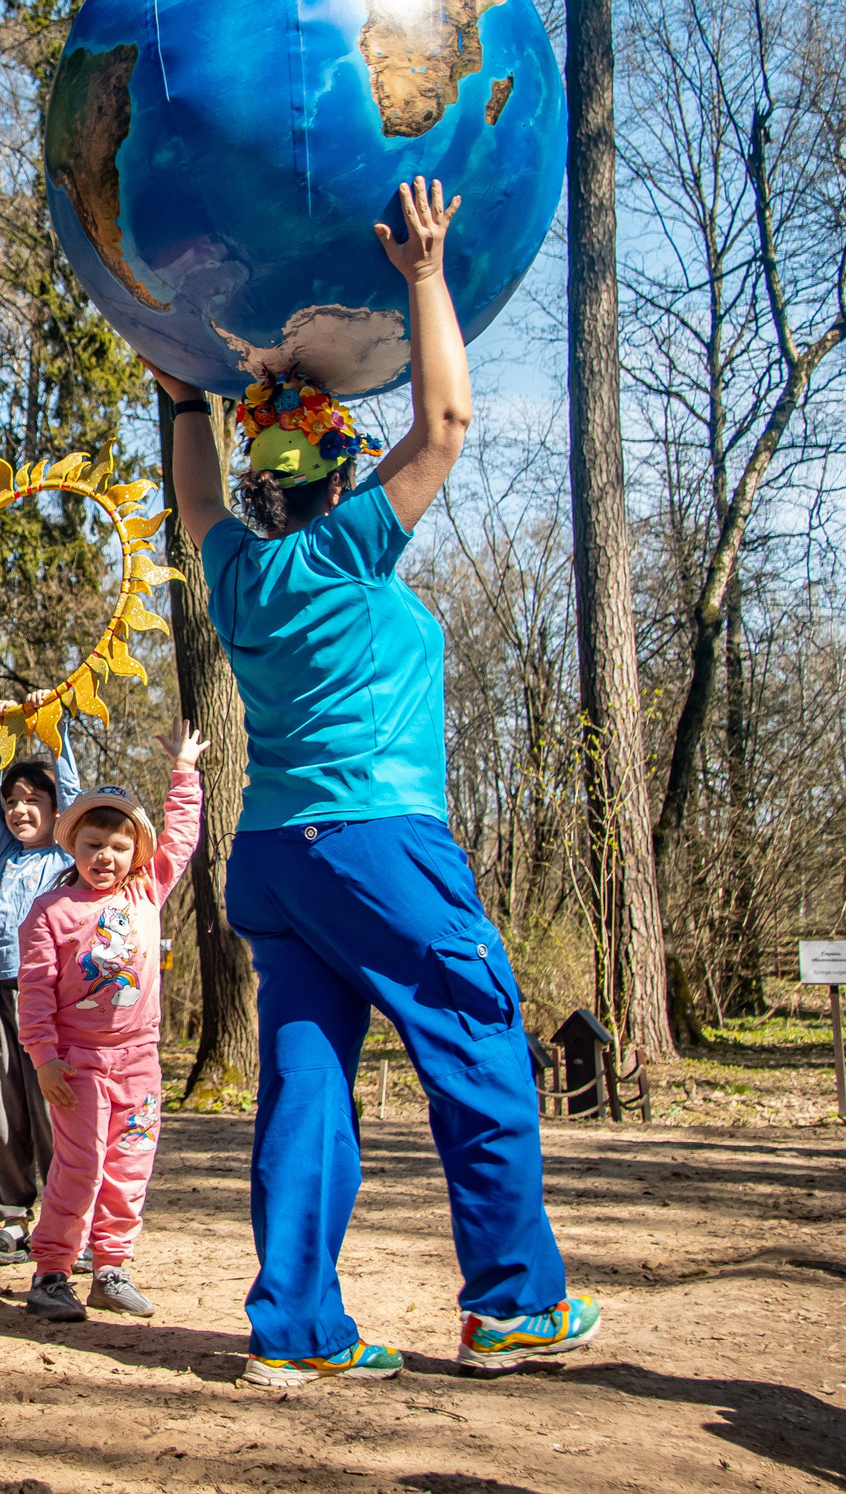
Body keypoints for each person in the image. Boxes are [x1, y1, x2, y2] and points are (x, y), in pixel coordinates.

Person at [154, 177, 597, 1386]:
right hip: (375, 840)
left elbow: (192, 495)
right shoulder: (344, 547)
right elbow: (444, 424)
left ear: (261, 485)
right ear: (338, 477)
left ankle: (296, 1327)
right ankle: (513, 1301)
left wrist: (179, 388)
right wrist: (420, 274)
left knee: (304, 1083)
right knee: (479, 1037)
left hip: (276, 860)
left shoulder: (237, 571)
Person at [16, 721, 205, 1325]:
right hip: (77, 1063)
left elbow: (180, 838)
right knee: (80, 1165)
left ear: (136, 855)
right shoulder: (51, 912)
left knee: (130, 1163)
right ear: (74, 847)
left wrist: (185, 774)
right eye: (94, 844)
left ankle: (112, 1267)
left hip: (140, 1061)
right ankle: (51, 1271)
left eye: (119, 847)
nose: (106, 856)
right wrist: (44, 1058)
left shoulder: (145, 893)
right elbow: (36, 993)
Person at [0, 738, 81, 1266]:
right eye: (13, 800)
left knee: (52, 1111)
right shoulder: (6, 853)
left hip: (51, 1000)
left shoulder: (67, 853)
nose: (19, 809)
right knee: (3, 1110)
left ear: (56, 810)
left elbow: (77, 790)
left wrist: (56, 728)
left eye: (33, 799)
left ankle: (68, 1223)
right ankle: (12, 1221)